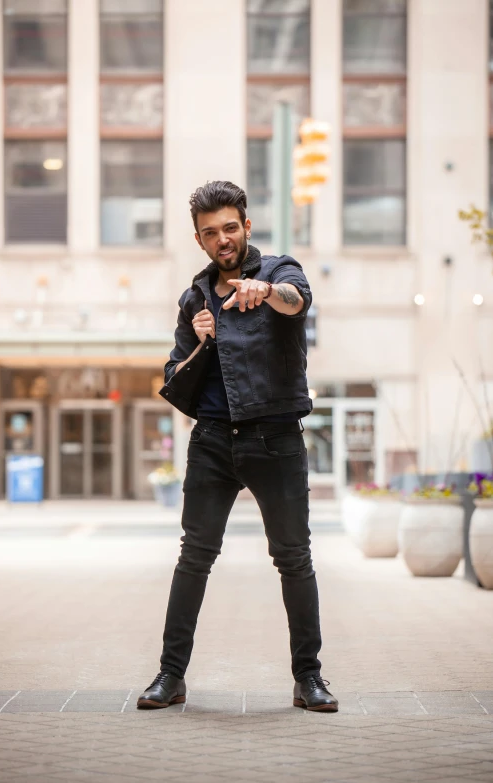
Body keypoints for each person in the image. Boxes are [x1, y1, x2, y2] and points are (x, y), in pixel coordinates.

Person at [137, 181, 338, 713]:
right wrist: (201, 339)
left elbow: (298, 304)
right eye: (210, 233)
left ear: (246, 226)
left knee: (293, 559)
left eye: (230, 228)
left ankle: (309, 678)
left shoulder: (279, 273)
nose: (222, 239)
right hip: (211, 441)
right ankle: (170, 676)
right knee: (193, 559)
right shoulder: (194, 298)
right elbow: (173, 377)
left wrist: (265, 292)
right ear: (200, 240)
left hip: (275, 440)